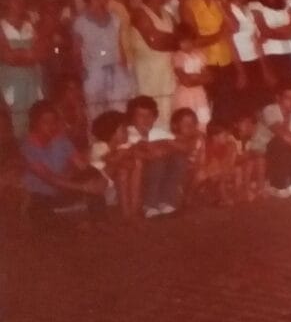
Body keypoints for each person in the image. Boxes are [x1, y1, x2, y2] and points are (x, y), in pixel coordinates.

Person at [21, 100, 108, 228]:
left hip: (65, 189)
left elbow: (82, 165)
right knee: (45, 217)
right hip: (41, 196)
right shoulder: (28, 148)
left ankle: (98, 222)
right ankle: (73, 222)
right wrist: (83, 187)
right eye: (45, 122)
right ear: (34, 123)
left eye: (53, 122)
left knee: (92, 177)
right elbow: (48, 178)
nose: (51, 126)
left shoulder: (61, 141)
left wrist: (100, 178)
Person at [73, 0, 135, 122]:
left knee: (118, 117)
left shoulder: (115, 19)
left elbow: (120, 51)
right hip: (94, 79)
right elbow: (76, 55)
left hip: (117, 77)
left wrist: (126, 76)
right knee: (97, 120)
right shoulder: (80, 23)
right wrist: (83, 81)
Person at [181, 0, 239, 128]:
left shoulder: (220, 1)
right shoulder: (189, 4)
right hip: (203, 64)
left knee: (225, 110)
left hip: (224, 61)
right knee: (204, 109)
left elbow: (234, 27)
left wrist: (222, 6)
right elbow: (193, 40)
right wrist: (220, 34)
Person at [126, 95, 187, 218]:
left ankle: (166, 201)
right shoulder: (128, 132)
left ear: (155, 117)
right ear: (132, 118)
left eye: (149, 116)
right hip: (136, 172)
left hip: (158, 169)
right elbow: (143, 150)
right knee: (158, 161)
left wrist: (166, 143)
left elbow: (183, 147)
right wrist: (160, 147)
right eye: (140, 116)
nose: (145, 120)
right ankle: (149, 204)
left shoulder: (157, 132)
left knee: (178, 158)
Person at [129, 0, 178, 128]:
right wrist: (176, 42)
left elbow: (182, 37)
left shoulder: (168, 15)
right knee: (149, 117)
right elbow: (154, 42)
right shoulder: (140, 13)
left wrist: (171, 40)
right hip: (148, 75)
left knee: (168, 115)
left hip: (167, 74)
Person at [224, 0, 272, 114]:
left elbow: (256, 40)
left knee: (258, 105)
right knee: (242, 108)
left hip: (254, 62)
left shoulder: (250, 9)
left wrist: (265, 68)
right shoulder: (227, 9)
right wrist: (240, 71)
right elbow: (229, 43)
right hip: (238, 64)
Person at [1, 0, 45, 137]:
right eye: (14, 0)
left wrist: (17, 53)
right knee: (15, 127)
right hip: (12, 87)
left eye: (21, 0)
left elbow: (40, 53)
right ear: (6, 2)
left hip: (32, 85)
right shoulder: (2, 27)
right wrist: (28, 53)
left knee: (35, 126)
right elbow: (7, 57)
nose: (19, 4)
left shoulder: (29, 26)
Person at [88, 110, 142, 221]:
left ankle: (133, 210)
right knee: (122, 170)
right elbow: (112, 161)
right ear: (112, 133)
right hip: (99, 186)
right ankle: (126, 213)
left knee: (136, 164)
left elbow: (131, 163)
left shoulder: (122, 146)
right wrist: (124, 154)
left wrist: (128, 154)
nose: (127, 132)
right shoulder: (99, 147)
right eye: (123, 129)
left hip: (113, 184)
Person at [251, 0, 291, 84]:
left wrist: (273, 32)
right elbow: (264, 30)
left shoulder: (284, 2)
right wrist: (285, 33)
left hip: (287, 53)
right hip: (268, 55)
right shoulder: (255, 3)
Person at [171, 24, 213, 131]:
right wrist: (200, 78)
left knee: (203, 120)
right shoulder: (178, 56)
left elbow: (209, 77)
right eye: (183, 42)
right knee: (186, 121)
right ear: (177, 42)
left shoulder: (199, 54)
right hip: (185, 94)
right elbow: (185, 82)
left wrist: (193, 77)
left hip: (199, 93)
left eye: (190, 41)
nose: (187, 44)